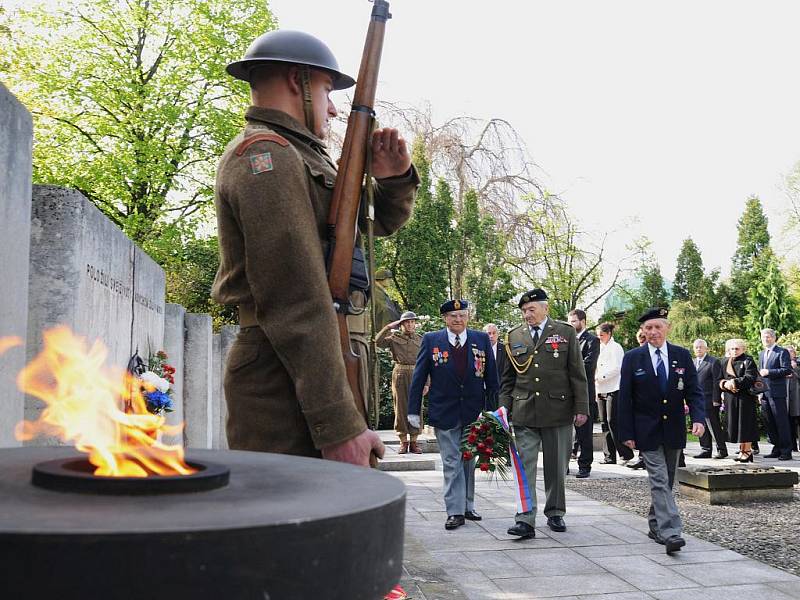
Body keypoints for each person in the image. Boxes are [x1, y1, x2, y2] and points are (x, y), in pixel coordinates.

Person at [212, 30, 419, 466]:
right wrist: (338, 425)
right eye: (327, 90)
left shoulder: (303, 157)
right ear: (297, 81)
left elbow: (371, 225)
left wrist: (395, 178)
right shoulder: (266, 156)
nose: (332, 106)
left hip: (318, 362)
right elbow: (295, 299)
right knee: (291, 523)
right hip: (281, 374)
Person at [500, 289, 589, 539]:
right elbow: (507, 379)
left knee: (556, 466)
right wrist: (503, 408)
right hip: (524, 411)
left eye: (531, 310)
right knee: (524, 466)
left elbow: (577, 373)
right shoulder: (513, 336)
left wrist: (582, 408)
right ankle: (525, 519)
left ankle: (555, 511)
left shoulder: (565, 332)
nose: (527, 315)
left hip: (558, 411)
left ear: (545, 309)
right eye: (524, 311)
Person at [617, 307, 705, 555]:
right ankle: (671, 532)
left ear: (667, 328)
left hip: (673, 429)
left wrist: (698, 418)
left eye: (658, 326)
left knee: (666, 481)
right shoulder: (633, 358)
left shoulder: (681, 355)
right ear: (642, 331)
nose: (653, 332)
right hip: (645, 430)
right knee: (658, 480)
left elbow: (694, 391)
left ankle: (655, 525)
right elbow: (625, 399)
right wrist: (626, 434)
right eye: (648, 328)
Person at [407, 300, 498, 530]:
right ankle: (454, 511)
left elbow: (492, 379)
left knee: (468, 461)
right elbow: (418, 377)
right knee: (451, 461)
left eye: (462, 315)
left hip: (473, 412)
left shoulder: (481, 339)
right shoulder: (431, 340)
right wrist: (412, 410)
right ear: (444, 318)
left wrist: (494, 412)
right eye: (453, 316)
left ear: (468, 317)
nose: (458, 319)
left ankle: (468, 505)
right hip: (444, 411)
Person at [376, 311, 425, 454]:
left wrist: (427, 382)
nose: (410, 325)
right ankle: (403, 441)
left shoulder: (421, 339)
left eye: (412, 322)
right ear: (401, 324)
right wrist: (387, 327)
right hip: (400, 373)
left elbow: (426, 362)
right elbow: (377, 342)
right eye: (407, 322)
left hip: (417, 374)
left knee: (416, 407)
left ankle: (414, 442)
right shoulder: (393, 338)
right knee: (401, 408)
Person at [595, 323, 633, 466]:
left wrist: (602, 377)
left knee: (613, 421)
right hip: (600, 388)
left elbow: (618, 367)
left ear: (609, 334)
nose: (600, 338)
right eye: (598, 336)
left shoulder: (615, 347)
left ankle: (625, 453)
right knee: (604, 422)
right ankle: (609, 456)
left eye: (602, 335)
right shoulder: (600, 347)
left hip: (613, 387)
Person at [567, 309, 599, 478]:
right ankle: (563, 464)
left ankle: (584, 465)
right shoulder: (566, 340)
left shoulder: (592, 340)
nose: (571, 325)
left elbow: (588, 365)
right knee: (565, 431)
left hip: (584, 392)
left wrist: (567, 369)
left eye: (573, 321)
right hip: (566, 392)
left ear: (582, 321)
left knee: (584, 432)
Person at [718, 338, 759, 462]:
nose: (734, 351)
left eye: (737, 348)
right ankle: (742, 450)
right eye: (732, 348)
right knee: (735, 425)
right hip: (731, 398)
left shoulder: (748, 360)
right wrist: (725, 384)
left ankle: (747, 451)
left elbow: (750, 377)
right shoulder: (724, 361)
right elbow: (719, 378)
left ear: (743, 349)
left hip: (745, 398)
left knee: (745, 425)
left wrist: (734, 382)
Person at [758, 328, 793, 460]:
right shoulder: (762, 353)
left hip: (777, 393)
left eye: (768, 337)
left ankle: (786, 451)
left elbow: (787, 370)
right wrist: (759, 392)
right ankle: (776, 448)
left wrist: (769, 372)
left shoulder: (781, 351)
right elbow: (760, 375)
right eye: (763, 337)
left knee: (781, 422)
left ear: (773, 338)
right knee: (769, 423)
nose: (765, 339)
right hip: (765, 394)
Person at [692, 339, 727, 459]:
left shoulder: (713, 362)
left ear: (706, 349)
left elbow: (716, 382)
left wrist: (716, 399)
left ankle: (721, 450)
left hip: (709, 399)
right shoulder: (692, 362)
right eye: (696, 347)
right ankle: (706, 449)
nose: (698, 349)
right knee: (701, 425)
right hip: (697, 401)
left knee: (713, 425)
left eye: (701, 347)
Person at [484, 323, 506, 411]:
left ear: (498, 334)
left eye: (494, 333)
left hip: (500, 391)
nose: (491, 336)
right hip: (483, 391)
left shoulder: (505, 349)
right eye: (489, 333)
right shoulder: (478, 348)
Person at [787, 346, 800, 451]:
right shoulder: (783, 364)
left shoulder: (798, 363)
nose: (789, 353)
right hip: (786, 398)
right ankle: (792, 446)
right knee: (789, 422)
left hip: (797, 397)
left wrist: (795, 368)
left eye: (791, 351)